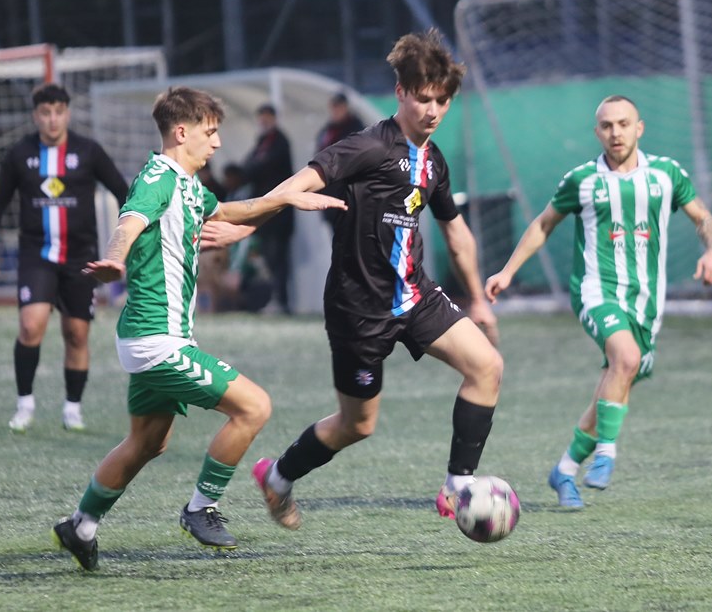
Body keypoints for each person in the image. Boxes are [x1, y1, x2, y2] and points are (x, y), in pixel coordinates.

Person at [204, 28, 503, 531]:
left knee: (487, 368)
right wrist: (242, 226)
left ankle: (458, 485)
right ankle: (278, 476)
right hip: (357, 309)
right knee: (357, 425)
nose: (432, 110)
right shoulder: (367, 147)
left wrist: (478, 298)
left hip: (416, 295)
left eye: (442, 101)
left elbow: (457, 233)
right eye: (423, 98)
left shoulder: (434, 163)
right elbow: (296, 187)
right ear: (401, 93)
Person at [51, 86, 345, 567]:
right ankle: (200, 508)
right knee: (254, 407)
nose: (217, 144)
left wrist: (288, 198)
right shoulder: (158, 178)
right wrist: (113, 260)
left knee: (148, 441)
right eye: (210, 133)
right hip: (156, 340)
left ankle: (80, 526)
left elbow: (232, 212)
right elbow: (129, 222)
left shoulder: (188, 185)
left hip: (156, 338)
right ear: (181, 132)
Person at [484, 95, 712, 508]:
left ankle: (564, 470)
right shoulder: (582, 180)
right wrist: (507, 270)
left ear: (639, 128)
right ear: (597, 132)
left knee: (619, 378)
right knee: (626, 359)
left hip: (647, 301)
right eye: (607, 125)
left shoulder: (666, 174)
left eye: (623, 123)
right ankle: (607, 454)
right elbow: (544, 224)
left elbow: (702, 217)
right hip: (596, 290)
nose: (615, 132)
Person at [0, 83, 129, 433]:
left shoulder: (88, 151)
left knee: (76, 335)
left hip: (81, 258)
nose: (52, 119)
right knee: (31, 326)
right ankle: (25, 404)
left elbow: (124, 192)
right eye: (45, 113)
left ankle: (72, 408)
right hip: (37, 255)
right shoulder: (20, 154)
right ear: (36, 116)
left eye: (58, 112)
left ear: (67, 113)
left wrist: (129, 241)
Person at [243, 104, 294, 314]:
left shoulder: (280, 142)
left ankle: (281, 300)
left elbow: (262, 167)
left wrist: (257, 166)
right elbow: (248, 167)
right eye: (260, 117)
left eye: (266, 117)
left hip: (279, 213)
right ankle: (274, 297)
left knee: (279, 257)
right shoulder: (262, 142)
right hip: (265, 213)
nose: (263, 121)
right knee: (268, 258)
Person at [315, 92, 365, 230]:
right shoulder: (327, 131)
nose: (336, 111)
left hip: (350, 196)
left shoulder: (356, 129)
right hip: (330, 195)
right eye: (334, 107)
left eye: (339, 107)